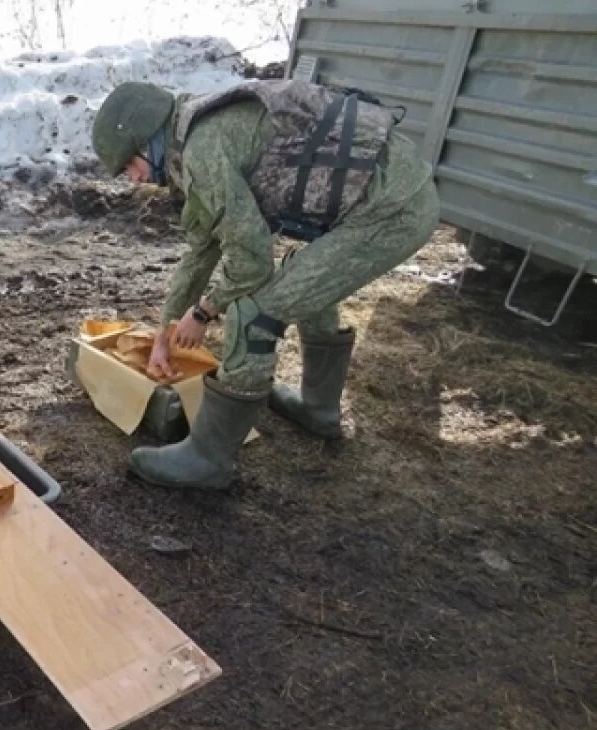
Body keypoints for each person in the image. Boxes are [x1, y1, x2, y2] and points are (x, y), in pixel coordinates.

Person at [90, 79, 439, 491]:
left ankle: (208, 459)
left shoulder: (203, 150)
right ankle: (319, 410)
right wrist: (163, 334)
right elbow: (201, 250)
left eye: (129, 166)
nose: (133, 179)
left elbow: (252, 263)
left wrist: (203, 312)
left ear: (148, 142)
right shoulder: (193, 134)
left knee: (253, 316)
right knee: (300, 277)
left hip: (393, 210)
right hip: (391, 194)